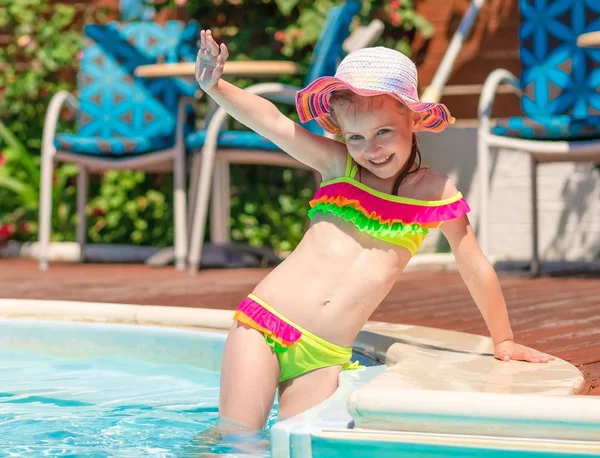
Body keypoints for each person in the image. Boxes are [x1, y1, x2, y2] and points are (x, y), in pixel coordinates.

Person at [194, 29, 555, 432]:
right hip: (265, 325)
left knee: (300, 445)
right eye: (356, 138)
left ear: (414, 119)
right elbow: (274, 123)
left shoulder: (437, 193)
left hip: (327, 354)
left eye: (383, 131)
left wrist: (502, 340)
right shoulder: (339, 168)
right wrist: (216, 86)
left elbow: (474, 266)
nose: (372, 149)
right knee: (238, 441)